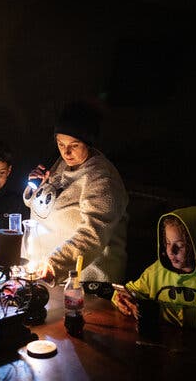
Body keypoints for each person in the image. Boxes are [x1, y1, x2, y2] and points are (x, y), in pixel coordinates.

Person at [23, 99, 129, 284]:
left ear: (88, 142)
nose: (66, 152)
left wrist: (53, 265)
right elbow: (44, 206)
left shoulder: (102, 179)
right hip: (43, 276)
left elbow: (92, 235)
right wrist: (35, 187)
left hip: (85, 284)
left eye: (74, 145)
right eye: (60, 144)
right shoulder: (63, 163)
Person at [112, 206, 196, 333]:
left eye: (180, 245)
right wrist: (123, 299)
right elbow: (133, 291)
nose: (171, 251)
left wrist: (157, 311)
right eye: (168, 243)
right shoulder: (158, 270)